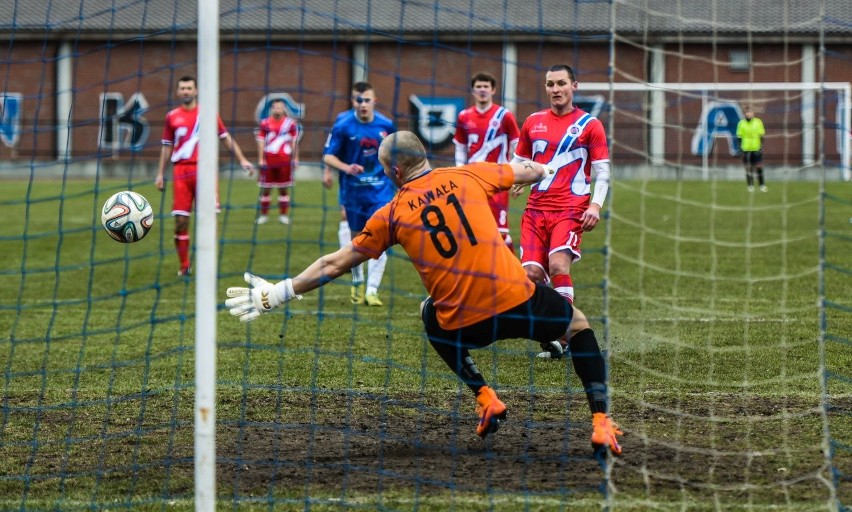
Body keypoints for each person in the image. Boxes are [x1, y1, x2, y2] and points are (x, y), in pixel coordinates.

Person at [225, 130, 623, 456]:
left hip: (466, 324)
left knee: (429, 311)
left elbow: (335, 264)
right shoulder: (471, 175)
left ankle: (485, 397)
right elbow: (529, 169)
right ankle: (601, 422)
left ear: (395, 171)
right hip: (518, 302)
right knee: (578, 325)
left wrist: (278, 293)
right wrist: (535, 171)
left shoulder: (392, 213)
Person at [512, 64, 611, 359]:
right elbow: (519, 160)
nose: (555, 89)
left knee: (557, 266)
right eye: (550, 84)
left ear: (574, 86)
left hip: (571, 208)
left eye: (561, 83)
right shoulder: (532, 122)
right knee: (529, 275)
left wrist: (595, 204)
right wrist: (514, 178)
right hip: (535, 211)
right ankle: (551, 328)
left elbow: (602, 170)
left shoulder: (589, 124)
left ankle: (565, 337)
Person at [155, 75, 254, 276]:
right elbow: (167, 147)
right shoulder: (171, 116)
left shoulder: (208, 114)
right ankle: (184, 266)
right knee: (181, 221)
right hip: (181, 172)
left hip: (205, 172)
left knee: (209, 220)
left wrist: (242, 159)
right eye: (182, 88)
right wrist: (160, 173)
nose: (185, 91)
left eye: (189, 88)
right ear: (177, 92)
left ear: (196, 90)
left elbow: (226, 138)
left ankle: (208, 265)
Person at [322, 81, 396, 306]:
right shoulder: (343, 124)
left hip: (380, 191)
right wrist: (346, 168)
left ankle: (372, 289)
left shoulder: (386, 125)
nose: (363, 104)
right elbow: (328, 155)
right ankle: (357, 280)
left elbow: (394, 156)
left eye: (367, 100)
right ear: (353, 101)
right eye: (358, 100)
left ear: (374, 100)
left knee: (381, 237)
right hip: (353, 191)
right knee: (356, 240)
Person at [453, 71, 521, 252]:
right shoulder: (464, 116)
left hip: (498, 180)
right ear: (473, 91)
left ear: (493, 90)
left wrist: (516, 175)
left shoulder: (504, 115)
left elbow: (516, 146)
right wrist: (460, 173)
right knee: (475, 231)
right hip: (473, 181)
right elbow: (460, 147)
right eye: (478, 87)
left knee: (501, 233)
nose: (482, 90)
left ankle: (512, 273)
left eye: (486, 87)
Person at [255, 98, 299, 225]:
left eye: (280, 107)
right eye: (275, 107)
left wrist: (295, 158)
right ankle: (264, 215)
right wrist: (260, 159)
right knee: (265, 189)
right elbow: (261, 141)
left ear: (284, 109)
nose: (277, 109)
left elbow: (294, 141)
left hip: (284, 161)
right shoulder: (265, 123)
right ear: (271, 109)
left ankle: (283, 215)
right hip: (268, 160)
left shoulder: (290, 124)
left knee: (284, 189)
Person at [736, 106, 767, 192]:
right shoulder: (741, 123)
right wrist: (740, 149)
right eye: (746, 113)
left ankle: (762, 185)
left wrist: (761, 147)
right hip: (745, 149)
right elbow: (739, 137)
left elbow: (762, 136)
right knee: (748, 167)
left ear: (753, 113)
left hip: (756, 148)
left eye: (750, 112)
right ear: (744, 114)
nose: (748, 114)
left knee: (759, 167)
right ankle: (750, 185)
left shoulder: (758, 122)